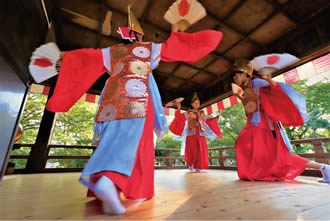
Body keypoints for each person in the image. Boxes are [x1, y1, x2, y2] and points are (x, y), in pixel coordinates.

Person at [29, 6, 223, 215]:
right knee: (137, 143)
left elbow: (83, 58)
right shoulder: (149, 49)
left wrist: (60, 58)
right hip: (139, 100)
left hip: (113, 103)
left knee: (113, 140)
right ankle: (112, 181)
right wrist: (179, 29)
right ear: (138, 36)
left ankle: (114, 185)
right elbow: (174, 48)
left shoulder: (111, 51)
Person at [231, 59, 330, 183]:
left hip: (265, 126)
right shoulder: (248, 88)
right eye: (234, 76)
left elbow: (276, 88)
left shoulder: (256, 82)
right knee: (251, 147)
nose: (235, 78)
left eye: (237, 75)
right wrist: (238, 96)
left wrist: (268, 80)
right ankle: (324, 168)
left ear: (246, 74)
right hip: (256, 124)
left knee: (279, 157)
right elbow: (251, 106)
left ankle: (324, 167)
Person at [169, 93, 222, 172]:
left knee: (201, 149)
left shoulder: (202, 113)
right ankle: (191, 164)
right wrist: (179, 108)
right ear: (192, 104)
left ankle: (198, 166)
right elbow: (179, 118)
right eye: (195, 103)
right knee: (192, 150)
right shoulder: (188, 113)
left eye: (198, 103)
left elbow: (208, 121)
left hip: (201, 133)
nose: (197, 104)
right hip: (191, 133)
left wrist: (216, 118)